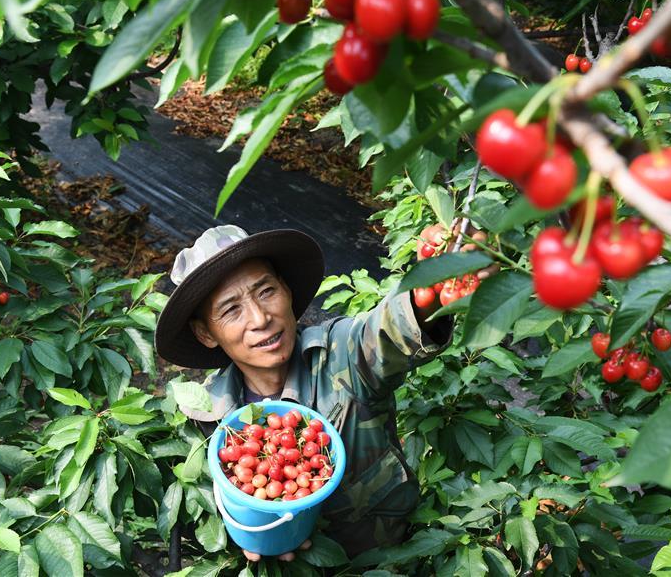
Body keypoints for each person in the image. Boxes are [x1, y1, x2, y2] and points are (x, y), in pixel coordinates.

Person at [154, 225, 454, 562]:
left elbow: (388, 329)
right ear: (205, 333)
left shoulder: (342, 354)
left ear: (286, 289)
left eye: (266, 291)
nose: (260, 318)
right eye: (231, 310)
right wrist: (246, 528)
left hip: (387, 559)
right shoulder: (208, 415)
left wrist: (435, 282)